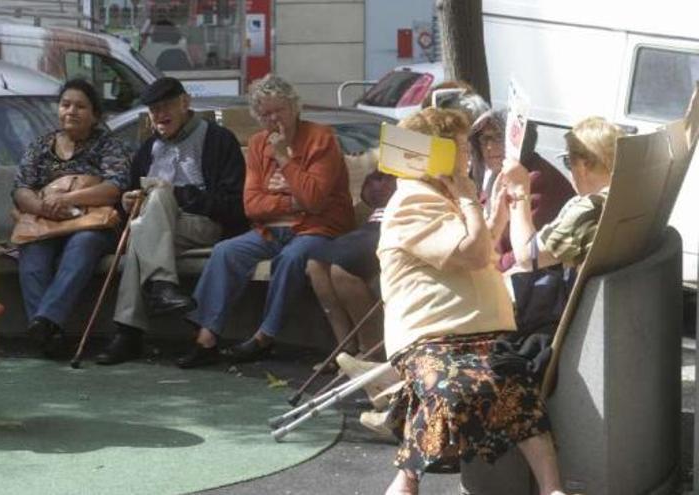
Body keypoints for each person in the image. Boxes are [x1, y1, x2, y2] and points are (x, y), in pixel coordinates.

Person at [377, 107, 565, 495]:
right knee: (451, 388)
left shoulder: (442, 192)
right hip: (433, 334)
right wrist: (468, 200)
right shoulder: (414, 199)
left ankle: (552, 490)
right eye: (461, 147)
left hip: (475, 330)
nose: (468, 155)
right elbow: (471, 254)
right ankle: (406, 483)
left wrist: (493, 213)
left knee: (515, 382)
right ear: (438, 153)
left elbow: (484, 255)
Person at [177, 74, 355, 368]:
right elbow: (252, 205)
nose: (274, 119)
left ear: (294, 108)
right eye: (266, 114)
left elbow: (314, 200)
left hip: (318, 229)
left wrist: (285, 158)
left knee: (291, 258)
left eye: (279, 111)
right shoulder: (258, 144)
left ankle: (264, 336)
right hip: (270, 230)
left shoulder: (321, 139)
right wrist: (291, 201)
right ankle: (206, 338)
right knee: (225, 252)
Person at [95, 77, 247, 365]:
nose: (160, 116)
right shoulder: (148, 149)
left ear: (185, 103)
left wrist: (177, 194)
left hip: (203, 224)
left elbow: (232, 205)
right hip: (158, 231)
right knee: (141, 227)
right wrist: (127, 202)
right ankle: (160, 290)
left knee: (159, 201)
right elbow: (130, 201)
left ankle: (128, 332)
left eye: (166, 107)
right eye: (154, 110)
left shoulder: (216, 139)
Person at [13, 79, 131, 358]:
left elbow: (116, 187)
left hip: (92, 222)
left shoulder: (108, 145)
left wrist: (66, 199)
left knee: (83, 244)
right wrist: (45, 207)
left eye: (80, 106)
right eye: (66, 105)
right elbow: (20, 189)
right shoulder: (41, 146)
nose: (71, 111)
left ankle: (45, 322)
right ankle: (50, 336)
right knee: (32, 250)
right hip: (46, 220)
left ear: (95, 114)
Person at [502, 116, 620, 271]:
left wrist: (519, 189)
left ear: (583, 166)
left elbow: (527, 257)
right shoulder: (628, 195)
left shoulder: (591, 209)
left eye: (568, 161)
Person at [305, 170, 395, 364]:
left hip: (396, 225)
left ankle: (371, 349)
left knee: (342, 269)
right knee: (315, 264)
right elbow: (368, 191)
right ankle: (345, 348)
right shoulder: (390, 162)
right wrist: (379, 183)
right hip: (371, 226)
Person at [469, 109, 575, 271]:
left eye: (498, 137)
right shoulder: (498, 176)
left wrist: (492, 266)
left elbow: (530, 250)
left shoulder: (536, 179)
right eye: (484, 139)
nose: (489, 147)